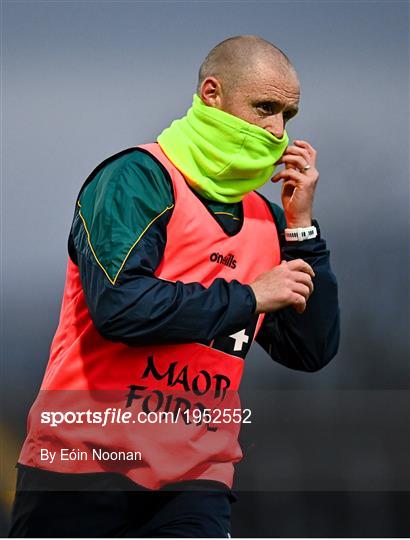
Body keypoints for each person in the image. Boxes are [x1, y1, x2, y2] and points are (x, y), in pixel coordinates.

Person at [9, 35, 340, 537]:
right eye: (264, 108)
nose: (277, 130)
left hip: (195, 482)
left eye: (287, 115)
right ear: (212, 94)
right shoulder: (135, 180)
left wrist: (301, 230)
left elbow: (310, 348)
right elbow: (120, 307)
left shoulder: (267, 223)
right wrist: (249, 297)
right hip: (79, 467)